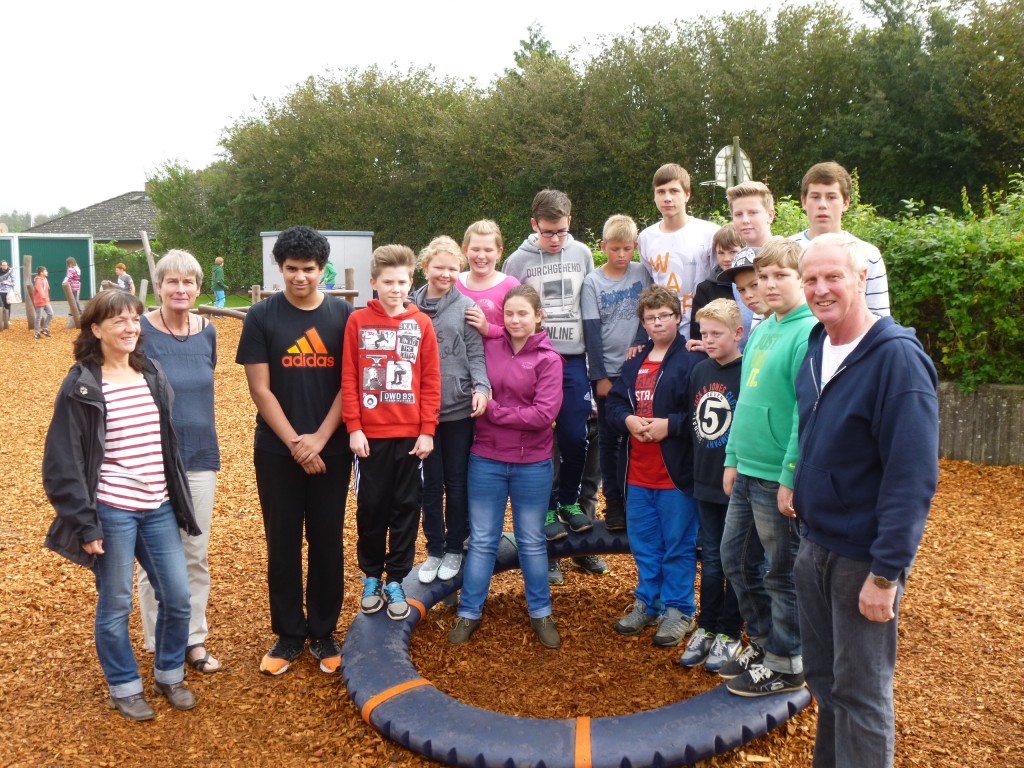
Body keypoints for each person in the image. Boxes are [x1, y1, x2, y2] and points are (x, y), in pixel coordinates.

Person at [793, 233, 938, 767]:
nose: (821, 288)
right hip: (814, 546)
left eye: (834, 276)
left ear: (861, 279)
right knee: (826, 683)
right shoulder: (816, 346)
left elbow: (913, 477)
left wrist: (886, 574)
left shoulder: (896, 361)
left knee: (863, 694)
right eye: (811, 279)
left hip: (862, 558)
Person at [42, 289, 199, 721]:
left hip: (158, 505)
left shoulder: (151, 373)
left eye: (134, 319)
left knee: (178, 596)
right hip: (111, 508)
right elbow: (61, 462)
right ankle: (124, 686)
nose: (130, 327)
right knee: (116, 603)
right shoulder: (82, 385)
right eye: (119, 321)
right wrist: (85, 525)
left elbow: (165, 442)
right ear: (96, 329)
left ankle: (169, 673)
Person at [236, 225, 353, 676]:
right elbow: (260, 389)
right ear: (279, 268)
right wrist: (296, 444)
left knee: (326, 538)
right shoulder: (262, 316)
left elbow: (350, 383)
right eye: (291, 269)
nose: (300, 277)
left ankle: (323, 631)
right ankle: (288, 633)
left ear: (322, 270)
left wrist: (320, 439)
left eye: (308, 269)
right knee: (282, 540)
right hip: (276, 449)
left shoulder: (344, 316)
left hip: (333, 447)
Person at [719, 239, 817, 697]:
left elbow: (806, 412)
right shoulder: (763, 329)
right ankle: (763, 644)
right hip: (748, 468)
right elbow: (747, 399)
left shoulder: (808, 332)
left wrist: (790, 475)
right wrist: (732, 457)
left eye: (781, 276)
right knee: (735, 560)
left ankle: (788, 661)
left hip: (777, 475)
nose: (768, 285)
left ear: (801, 280)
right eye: (762, 278)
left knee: (780, 572)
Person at [447, 285, 564, 649]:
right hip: (487, 457)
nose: (515, 320)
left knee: (531, 541)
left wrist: (493, 409)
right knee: (482, 540)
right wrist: (494, 408)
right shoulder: (488, 345)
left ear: (538, 317)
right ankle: (469, 612)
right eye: (510, 314)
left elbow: (543, 415)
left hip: (532, 462)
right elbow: (472, 385)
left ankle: (541, 612)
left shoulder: (549, 359)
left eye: (523, 314)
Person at [342, 245, 440, 621]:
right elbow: (349, 377)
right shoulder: (358, 322)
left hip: (411, 436)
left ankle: (396, 577)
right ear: (374, 283)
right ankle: (371, 576)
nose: (395, 288)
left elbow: (431, 380)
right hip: (369, 436)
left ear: (410, 282)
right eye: (388, 282)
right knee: (371, 509)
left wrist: (427, 430)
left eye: (401, 281)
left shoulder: (421, 324)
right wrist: (354, 427)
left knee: (405, 509)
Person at [136, 250, 222, 674]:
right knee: (155, 553)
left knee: (194, 552)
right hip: (151, 456)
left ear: (198, 288)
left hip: (200, 454)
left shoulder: (208, 332)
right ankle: (159, 640)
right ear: (158, 287)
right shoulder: (139, 332)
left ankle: (194, 639)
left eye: (188, 282)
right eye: (172, 281)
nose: (181, 289)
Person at [502, 189, 594, 585]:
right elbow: (509, 311)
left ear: (569, 222)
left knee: (575, 435)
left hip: (572, 358)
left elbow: (589, 307)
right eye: (548, 232)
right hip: (533, 357)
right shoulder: (518, 260)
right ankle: (544, 513)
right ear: (534, 224)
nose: (555, 239)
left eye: (561, 231)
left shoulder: (584, 254)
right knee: (537, 436)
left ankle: (570, 501)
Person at [606, 285, 703, 648]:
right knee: (645, 543)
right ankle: (649, 602)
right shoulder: (634, 361)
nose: (658, 322)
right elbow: (614, 404)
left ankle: (680, 609)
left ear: (678, 318)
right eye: (651, 317)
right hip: (637, 472)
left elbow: (704, 412)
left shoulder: (693, 360)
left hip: (675, 473)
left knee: (678, 544)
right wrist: (628, 420)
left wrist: (670, 425)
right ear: (643, 323)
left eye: (664, 315)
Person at [410, 236, 489, 584]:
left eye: (453, 268)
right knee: (429, 484)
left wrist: (481, 387)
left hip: (456, 410)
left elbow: (475, 353)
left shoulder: (466, 306)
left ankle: (456, 546)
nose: (446, 274)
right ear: (425, 267)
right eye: (439, 267)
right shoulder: (409, 307)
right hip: (418, 413)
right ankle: (435, 548)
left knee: (457, 482)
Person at [680, 299, 745, 672]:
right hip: (704, 480)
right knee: (713, 560)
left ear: (738, 333)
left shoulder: (748, 370)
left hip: (735, 483)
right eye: (703, 334)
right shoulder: (700, 370)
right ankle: (706, 627)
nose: (708, 340)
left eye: (716, 334)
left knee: (733, 559)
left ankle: (731, 632)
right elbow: (693, 422)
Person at [582, 214, 650, 532]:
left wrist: (638, 347)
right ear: (603, 247)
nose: (622, 255)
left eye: (627, 249)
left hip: (637, 372)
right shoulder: (593, 282)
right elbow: (592, 332)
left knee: (636, 439)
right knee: (610, 442)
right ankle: (614, 506)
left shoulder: (642, 273)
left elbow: (646, 317)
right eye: (615, 249)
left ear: (635, 247)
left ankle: (635, 503)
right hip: (608, 373)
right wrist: (600, 378)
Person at [790, 161, 890, 317]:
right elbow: (764, 315)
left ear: (846, 203)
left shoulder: (869, 254)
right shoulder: (785, 250)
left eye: (831, 197)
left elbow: (879, 316)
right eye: (815, 197)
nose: (822, 205)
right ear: (803, 201)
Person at [638, 163, 720, 341]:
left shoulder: (710, 233)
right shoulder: (646, 238)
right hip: (663, 335)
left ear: (687, 195)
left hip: (701, 333)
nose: (667, 198)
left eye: (674, 191)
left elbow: (717, 283)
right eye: (661, 191)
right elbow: (653, 280)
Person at [456, 219, 519, 338]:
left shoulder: (510, 286)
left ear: (499, 252)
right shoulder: (454, 282)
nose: (481, 256)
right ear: (465, 250)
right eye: (475, 249)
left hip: (499, 356)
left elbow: (524, 331)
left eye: (488, 250)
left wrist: (488, 329)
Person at [686, 224, 745, 349]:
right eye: (721, 253)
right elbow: (698, 333)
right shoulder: (705, 289)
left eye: (733, 252)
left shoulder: (757, 283)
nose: (727, 258)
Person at [728, 181, 777, 250]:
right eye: (738, 214)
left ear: (770, 215)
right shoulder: (736, 258)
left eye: (753, 213)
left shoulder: (788, 256)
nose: (745, 220)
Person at [33, 265, 53, 339]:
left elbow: (47, 288)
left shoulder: (45, 279)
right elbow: (40, 290)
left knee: (50, 313)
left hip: (46, 301)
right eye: (45, 271)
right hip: (40, 301)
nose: (47, 272)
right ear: (41, 273)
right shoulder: (38, 280)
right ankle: (36, 333)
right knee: (39, 317)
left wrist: (47, 299)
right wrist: (44, 298)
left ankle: (45, 328)